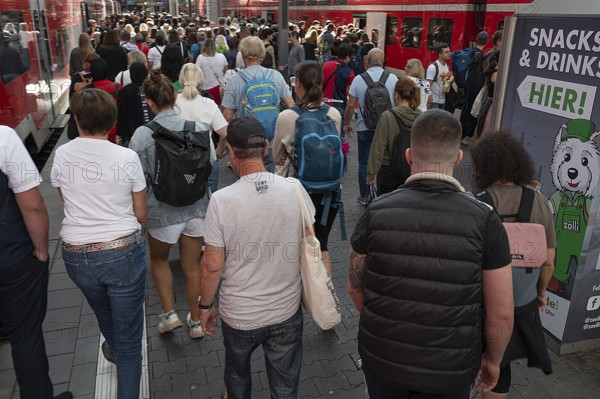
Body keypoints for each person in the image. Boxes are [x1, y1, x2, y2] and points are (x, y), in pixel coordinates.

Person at [348, 109, 514, 398]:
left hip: (383, 362)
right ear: (459, 159)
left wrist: (387, 320)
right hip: (450, 372)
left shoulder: (375, 212)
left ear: (409, 156)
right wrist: (492, 361)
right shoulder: (486, 221)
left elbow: (355, 286)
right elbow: (500, 314)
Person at [199, 116, 314, 399]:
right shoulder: (293, 189)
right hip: (286, 310)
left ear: (232, 152)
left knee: (237, 379)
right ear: (265, 149)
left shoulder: (221, 201)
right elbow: (308, 238)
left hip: (240, 315)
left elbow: (212, 265)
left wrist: (205, 306)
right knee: (285, 387)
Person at [52, 89, 147, 399]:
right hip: (122, 252)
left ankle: (114, 345)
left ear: (76, 121)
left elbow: (65, 198)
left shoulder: (63, 154)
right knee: (131, 343)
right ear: (112, 122)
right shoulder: (127, 156)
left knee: (104, 313)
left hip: (76, 257)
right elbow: (142, 213)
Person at [129, 71, 215, 339]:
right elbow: (208, 166)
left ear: (150, 103)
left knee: (158, 258)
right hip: (197, 207)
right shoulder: (197, 128)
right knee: (191, 266)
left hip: (162, 212)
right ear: (174, 97)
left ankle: (169, 315)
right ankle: (196, 321)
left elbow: (137, 179)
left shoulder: (143, 135)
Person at [471, 132, 554, 399]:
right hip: (521, 303)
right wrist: (540, 293)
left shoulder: (475, 202)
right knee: (500, 363)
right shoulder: (538, 201)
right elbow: (549, 260)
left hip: (478, 303)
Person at [0, 126, 73, 399]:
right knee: (25, 336)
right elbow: (32, 205)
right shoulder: (4, 138)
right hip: (11, 256)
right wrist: (41, 250)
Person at [273, 60, 342, 278]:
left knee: (293, 247)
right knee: (322, 246)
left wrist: (285, 153)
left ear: (298, 85)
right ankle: (326, 297)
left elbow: (276, 155)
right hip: (329, 192)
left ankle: (294, 295)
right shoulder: (334, 114)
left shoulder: (287, 116)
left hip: (296, 191)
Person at [221, 36, 294, 170]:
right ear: (262, 54)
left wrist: (224, 144)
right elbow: (291, 106)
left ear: (243, 55)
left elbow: (227, 116)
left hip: (245, 141)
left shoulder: (234, 79)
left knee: (245, 180)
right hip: (271, 141)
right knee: (269, 179)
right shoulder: (275, 75)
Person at [344, 48, 398, 206]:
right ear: (383, 61)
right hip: (387, 126)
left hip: (364, 127)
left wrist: (347, 123)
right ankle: (383, 195)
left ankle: (366, 196)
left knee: (364, 162)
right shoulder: (393, 78)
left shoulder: (359, 79)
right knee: (384, 160)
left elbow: (351, 105)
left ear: (367, 61)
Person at [176, 63, 228, 193]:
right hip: (207, 159)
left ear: (181, 80)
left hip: (178, 160)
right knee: (210, 204)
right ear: (200, 81)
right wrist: (221, 146)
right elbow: (225, 132)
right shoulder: (208, 103)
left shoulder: (173, 102)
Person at [367, 77, 421, 196]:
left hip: (388, 170)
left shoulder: (387, 116)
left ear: (396, 95)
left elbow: (378, 147)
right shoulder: (421, 117)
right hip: (412, 170)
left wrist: (371, 173)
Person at [460, 31, 489, 146]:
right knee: (472, 109)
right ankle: (466, 135)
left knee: (466, 108)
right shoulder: (479, 54)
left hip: (468, 84)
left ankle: (461, 132)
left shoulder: (471, 51)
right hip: (475, 86)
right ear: (486, 42)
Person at [116, 62, 154, 147]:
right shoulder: (153, 89)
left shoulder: (125, 92)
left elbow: (121, 115)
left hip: (131, 135)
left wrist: (119, 133)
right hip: (153, 134)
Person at [322, 43, 354, 134]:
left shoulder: (325, 65)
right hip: (339, 106)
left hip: (324, 104)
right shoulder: (350, 72)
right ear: (347, 57)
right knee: (338, 136)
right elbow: (350, 93)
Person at [195, 38, 228, 105]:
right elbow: (226, 72)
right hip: (220, 89)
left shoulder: (200, 58)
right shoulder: (222, 56)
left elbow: (197, 74)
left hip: (206, 89)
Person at [426, 42, 452, 110]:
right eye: (446, 52)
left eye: (449, 51)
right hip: (434, 101)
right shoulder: (433, 67)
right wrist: (429, 101)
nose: (449, 53)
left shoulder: (447, 66)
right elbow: (427, 85)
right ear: (440, 54)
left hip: (443, 101)